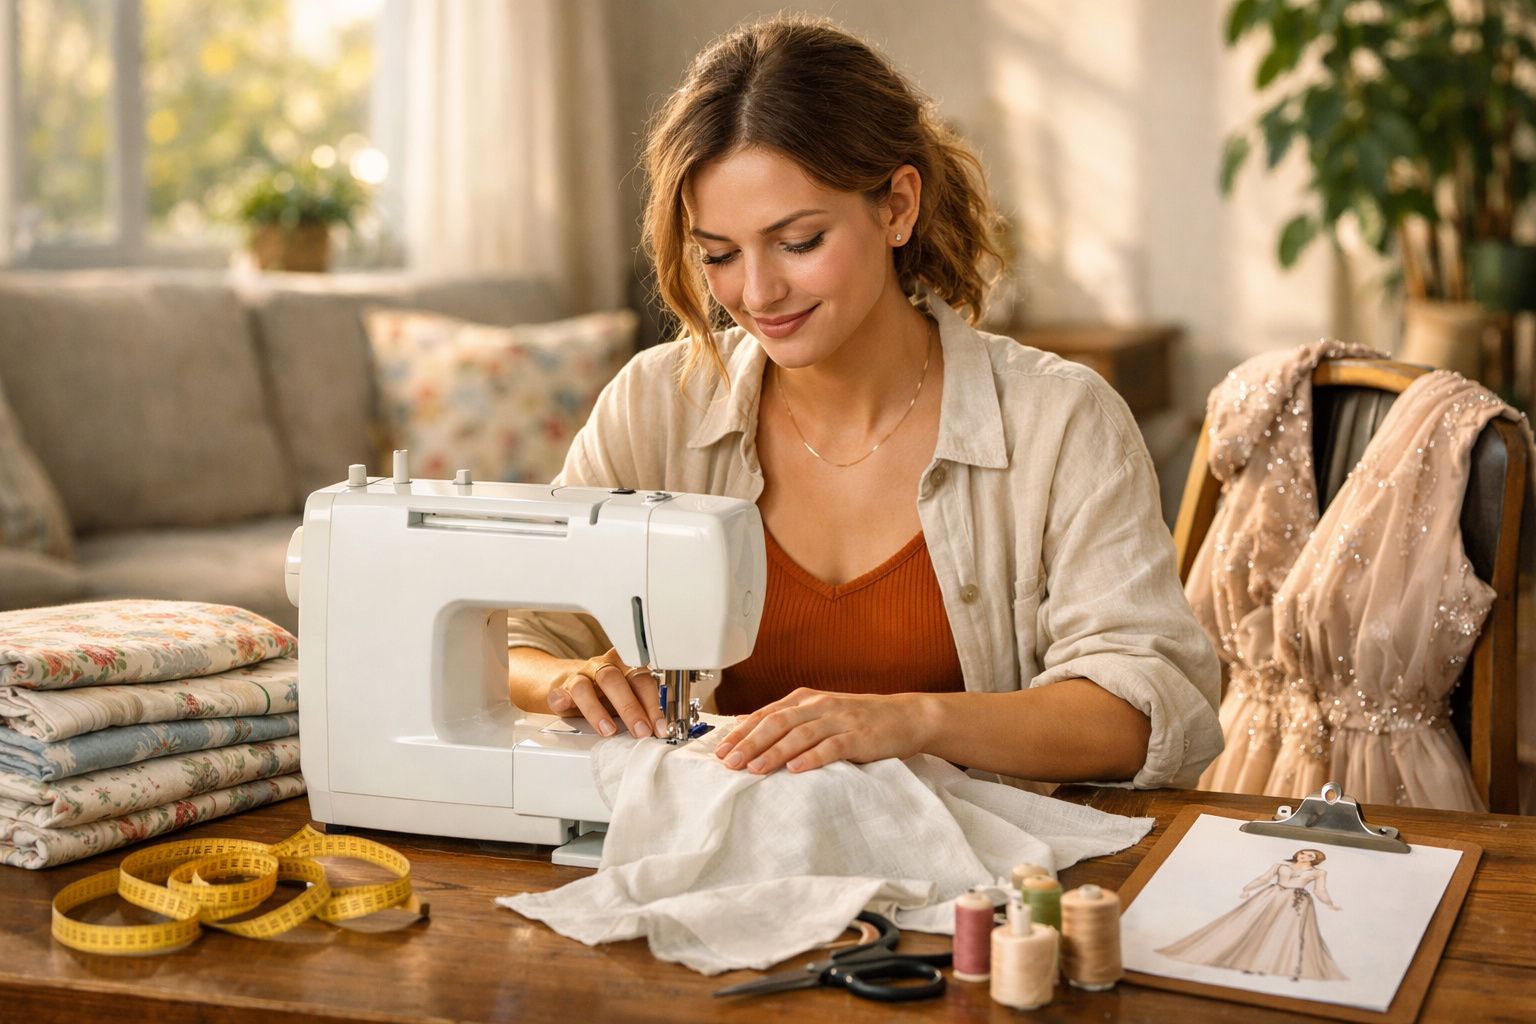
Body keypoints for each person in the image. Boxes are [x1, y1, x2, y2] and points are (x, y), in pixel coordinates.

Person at [506, 15, 1222, 789]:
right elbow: (514, 632)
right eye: (719, 254)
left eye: (799, 242)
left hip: (980, 859)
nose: (757, 293)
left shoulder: (1061, 420)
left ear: (898, 206)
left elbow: (1143, 708)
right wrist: (565, 680)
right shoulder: (654, 406)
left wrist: (912, 722)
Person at [1156, 848, 1346, 981]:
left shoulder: (1319, 872)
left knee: (1285, 933)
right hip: (1272, 896)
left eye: (1310, 855)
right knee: (1253, 925)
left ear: (1315, 859)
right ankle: (1243, 959)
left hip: (1296, 902)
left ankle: (1273, 965)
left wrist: (1329, 903)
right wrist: (1247, 888)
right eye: (1303, 852)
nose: (1304, 856)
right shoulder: (1280, 865)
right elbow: (1264, 878)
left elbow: (1320, 890)